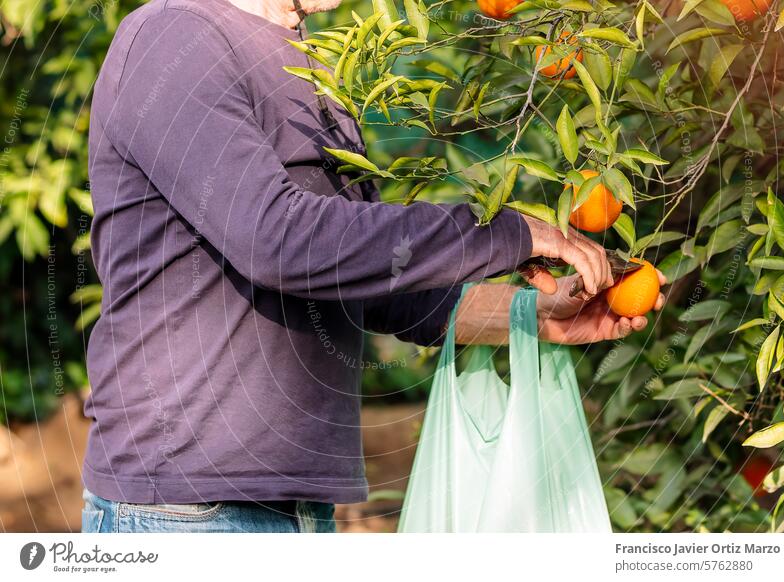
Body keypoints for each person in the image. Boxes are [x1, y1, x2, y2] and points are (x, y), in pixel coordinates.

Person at [81, 0, 664, 533]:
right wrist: (506, 232)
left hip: (303, 509)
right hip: (184, 509)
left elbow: (377, 288)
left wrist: (533, 314)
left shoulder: (315, 70)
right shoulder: (173, 36)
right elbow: (277, 239)